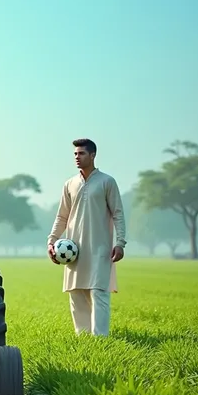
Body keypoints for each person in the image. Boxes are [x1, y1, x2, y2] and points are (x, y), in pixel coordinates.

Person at [47, 138, 126, 336]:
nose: (77, 157)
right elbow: (62, 216)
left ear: (92, 155)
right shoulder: (69, 184)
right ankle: (83, 339)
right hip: (74, 250)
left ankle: (100, 339)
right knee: (76, 293)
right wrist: (52, 240)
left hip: (100, 248)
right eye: (75, 154)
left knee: (99, 292)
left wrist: (120, 243)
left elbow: (118, 213)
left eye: (81, 153)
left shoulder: (107, 181)